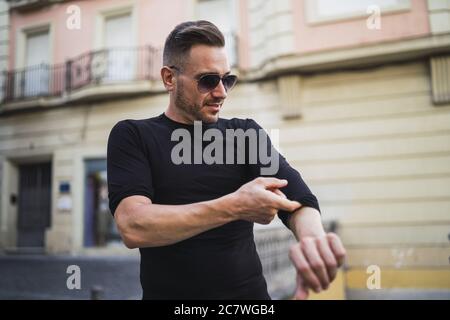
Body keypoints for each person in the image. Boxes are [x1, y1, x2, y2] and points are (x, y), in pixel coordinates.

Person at [107, 20, 346, 300]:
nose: (221, 92)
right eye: (208, 80)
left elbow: (297, 199)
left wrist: (313, 242)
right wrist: (234, 206)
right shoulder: (133, 135)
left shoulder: (244, 133)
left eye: (227, 80)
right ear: (169, 78)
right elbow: (133, 225)